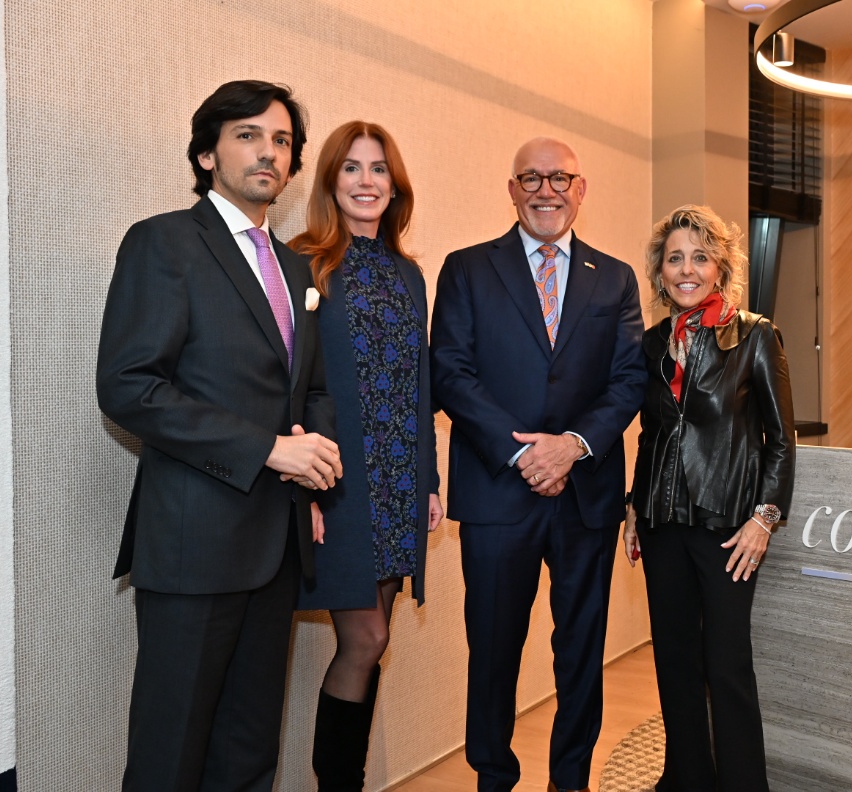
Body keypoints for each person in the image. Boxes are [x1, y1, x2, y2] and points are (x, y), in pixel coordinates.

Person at [96, 80, 342, 792]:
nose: (269, 152)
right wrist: (268, 449)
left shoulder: (296, 267)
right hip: (193, 543)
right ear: (207, 154)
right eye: (248, 135)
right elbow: (130, 386)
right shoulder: (165, 242)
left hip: (278, 540)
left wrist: (313, 467)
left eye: (282, 141)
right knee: (170, 755)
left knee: (249, 751)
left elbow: (312, 390)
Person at [430, 137, 646, 792]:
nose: (546, 190)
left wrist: (572, 445)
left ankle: (570, 780)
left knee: (581, 652)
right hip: (498, 491)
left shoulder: (615, 278)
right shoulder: (467, 268)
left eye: (559, 178)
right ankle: (493, 778)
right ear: (512, 189)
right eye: (531, 178)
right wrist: (525, 451)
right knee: (493, 652)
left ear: (581, 189)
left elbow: (629, 380)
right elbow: (451, 373)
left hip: (586, 495)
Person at [289, 121, 443, 791]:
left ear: (394, 185)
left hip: (398, 482)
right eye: (351, 168)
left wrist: (429, 480)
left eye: (378, 169)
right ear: (330, 182)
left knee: (373, 642)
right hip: (339, 480)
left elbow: (420, 385)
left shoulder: (409, 274)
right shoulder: (303, 263)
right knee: (367, 638)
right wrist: (305, 488)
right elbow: (288, 383)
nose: (366, 181)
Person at [624, 205, 796, 792]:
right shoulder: (652, 344)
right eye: (675, 259)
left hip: (728, 530)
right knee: (674, 664)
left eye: (700, 257)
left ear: (721, 267)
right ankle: (685, 779)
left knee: (726, 668)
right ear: (660, 272)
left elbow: (781, 439)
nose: (687, 269)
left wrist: (764, 519)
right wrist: (634, 504)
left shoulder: (755, 335)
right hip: (661, 525)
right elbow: (651, 433)